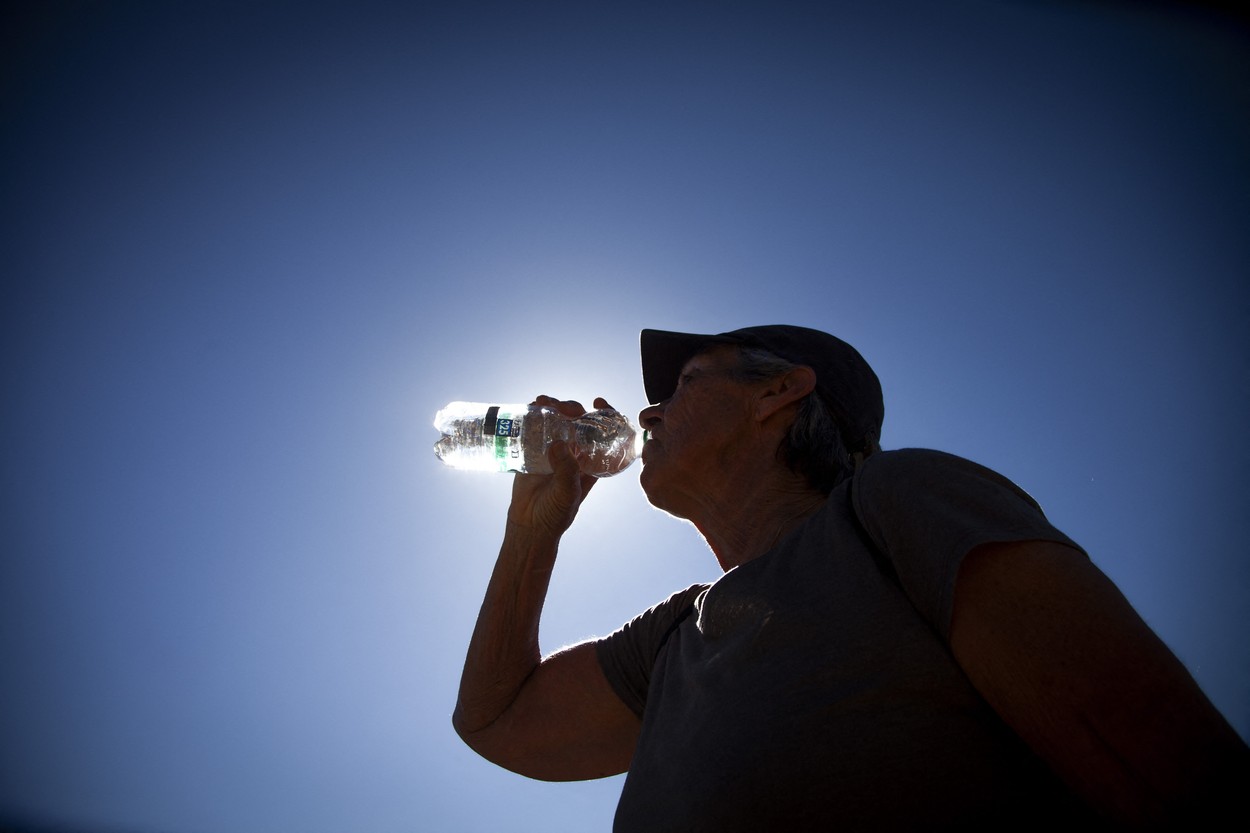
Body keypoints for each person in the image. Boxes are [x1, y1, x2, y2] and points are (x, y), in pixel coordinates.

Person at [452, 325, 1248, 831]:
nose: (649, 414)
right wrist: (534, 528)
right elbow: (495, 721)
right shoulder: (671, 637)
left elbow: (1138, 745)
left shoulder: (895, 503)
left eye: (686, 383)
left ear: (779, 392)